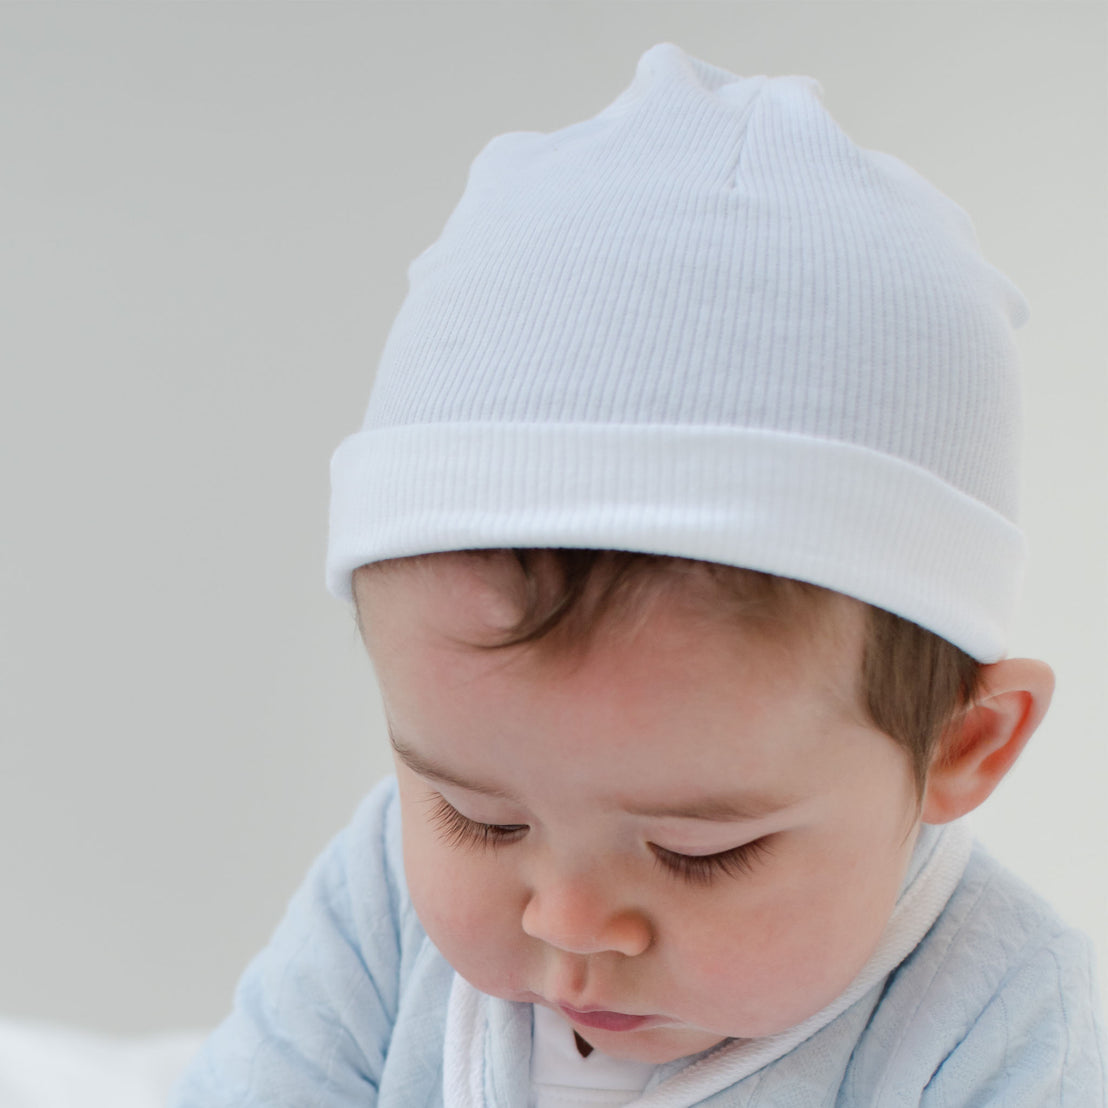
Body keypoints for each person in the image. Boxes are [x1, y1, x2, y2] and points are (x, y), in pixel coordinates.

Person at [171, 43, 1105, 1106]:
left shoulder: (996, 1018)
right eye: (481, 817)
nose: (567, 924)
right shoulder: (378, 899)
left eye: (698, 851)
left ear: (962, 741)